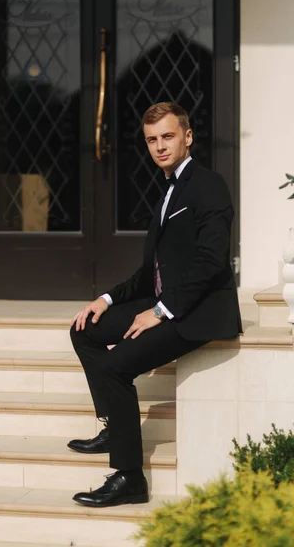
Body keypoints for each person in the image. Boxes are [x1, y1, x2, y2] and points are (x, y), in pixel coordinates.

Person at [69, 102, 242, 508]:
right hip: (166, 300)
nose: (160, 146)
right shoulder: (167, 189)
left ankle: (129, 477)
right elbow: (152, 271)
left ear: (187, 136)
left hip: (197, 312)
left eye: (167, 136)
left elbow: (211, 262)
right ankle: (115, 426)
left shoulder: (208, 184)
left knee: (115, 367)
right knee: (85, 329)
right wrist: (106, 298)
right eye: (152, 140)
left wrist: (160, 312)